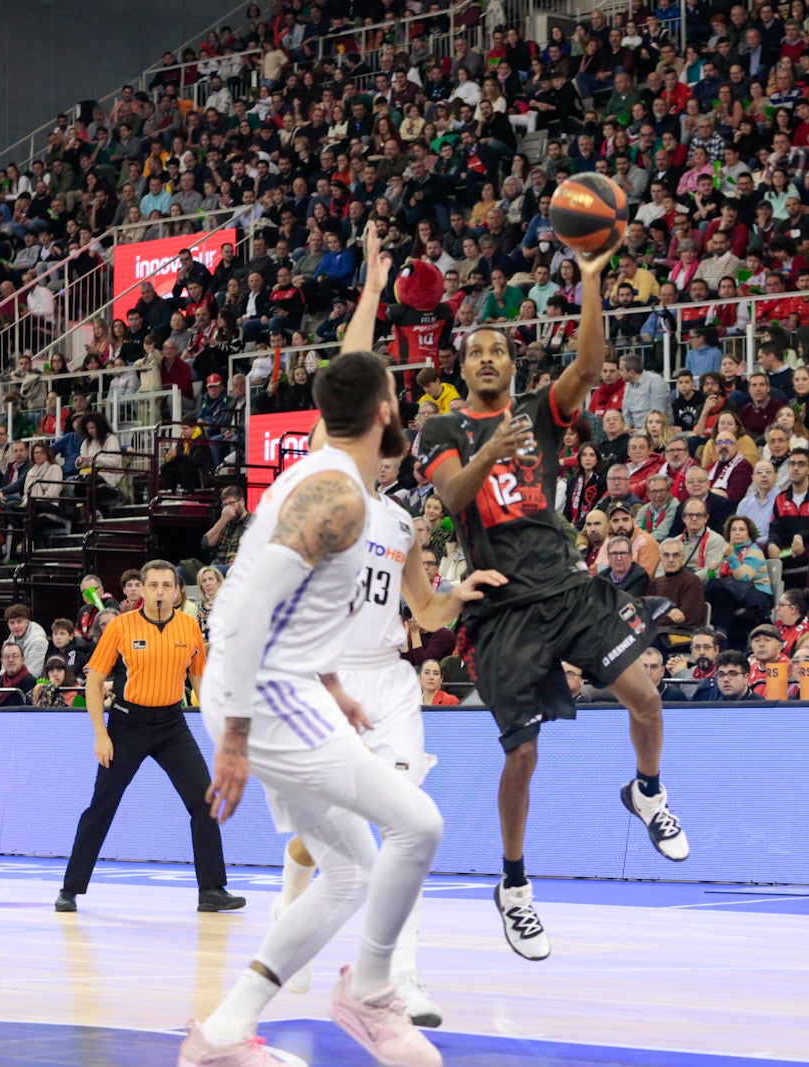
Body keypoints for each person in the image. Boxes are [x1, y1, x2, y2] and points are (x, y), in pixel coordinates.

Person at [418, 235, 689, 963]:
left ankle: (648, 791)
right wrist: (489, 449)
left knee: (647, 697)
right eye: (474, 351)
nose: (485, 359)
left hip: (568, 587)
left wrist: (593, 278)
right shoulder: (443, 428)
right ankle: (513, 885)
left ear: (510, 365)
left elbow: (590, 364)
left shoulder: (540, 411)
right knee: (524, 755)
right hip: (503, 611)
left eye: (497, 351)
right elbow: (451, 498)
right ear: (461, 367)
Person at [267, 246, 508, 1027]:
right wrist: (371, 291)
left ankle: (399, 978)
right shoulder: (323, 483)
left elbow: (425, 614)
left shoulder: (403, 521)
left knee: (407, 825)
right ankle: (290, 893)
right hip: (323, 683)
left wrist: (454, 597)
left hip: (388, 680)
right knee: (324, 845)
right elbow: (352, 373)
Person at [188, 337, 445, 1065]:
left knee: (350, 874)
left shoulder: (327, 479)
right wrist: (235, 738)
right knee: (418, 825)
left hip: (279, 685)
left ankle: (224, 1033)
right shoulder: (338, 497)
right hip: (262, 694)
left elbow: (294, 605)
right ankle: (369, 993)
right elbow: (245, 611)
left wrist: (330, 680)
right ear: (387, 411)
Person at [57, 560, 244, 916]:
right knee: (102, 807)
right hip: (128, 724)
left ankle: (212, 890)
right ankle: (70, 889)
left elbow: (199, 682)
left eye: (166, 585)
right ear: (141, 590)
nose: (160, 591)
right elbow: (94, 682)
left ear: (177, 591)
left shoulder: (190, 627)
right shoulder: (121, 627)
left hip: (173, 724)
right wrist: (101, 735)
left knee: (205, 802)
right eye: (153, 585)